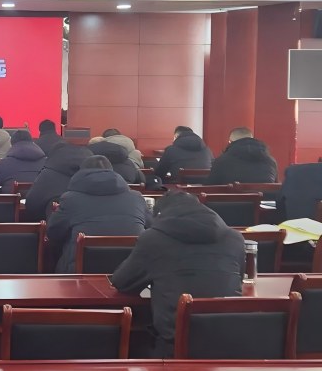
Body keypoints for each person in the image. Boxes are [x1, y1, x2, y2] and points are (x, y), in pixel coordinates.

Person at [111, 190, 244, 358]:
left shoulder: (153, 239)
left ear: (160, 215)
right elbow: (238, 281)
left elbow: (123, 282)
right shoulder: (235, 238)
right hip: (230, 344)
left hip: (174, 348)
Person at [46, 156, 148, 273]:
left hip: (80, 274)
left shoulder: (70, 199)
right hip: (131, 273)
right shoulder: (136, 198)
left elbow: (53, 233)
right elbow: (151, 227)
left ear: (81, 174)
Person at [24, 142, 93, 221]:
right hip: (89, 224)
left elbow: (32, 202)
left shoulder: (47, 174)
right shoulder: (94, 174)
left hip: (49, 223)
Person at [205, 127, 277, 185]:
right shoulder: (270, 161)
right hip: (265, 198)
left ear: (230, 142)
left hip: (232, 199)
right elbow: (275, 186)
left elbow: (210, 187)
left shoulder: (221, 161)